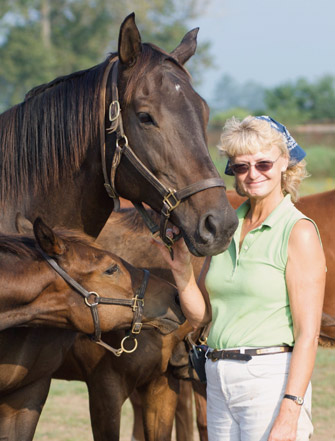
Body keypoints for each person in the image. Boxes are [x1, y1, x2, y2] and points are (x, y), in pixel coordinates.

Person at [152, 115, 326, 441]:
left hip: (270, 380)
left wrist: (290, 410)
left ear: (284, 162)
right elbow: (204, 317)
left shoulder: (297, 231)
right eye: (242, 167)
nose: (253, 174)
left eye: (263, 163)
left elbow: (307, 334)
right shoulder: (229, 229)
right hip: (218, 378)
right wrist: (181, 270)